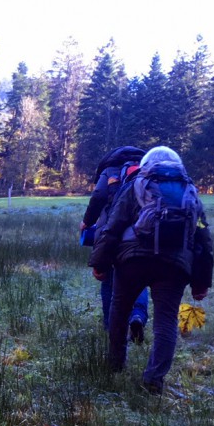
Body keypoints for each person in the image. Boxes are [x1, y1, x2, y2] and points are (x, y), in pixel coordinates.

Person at [90, 146, 213, 395]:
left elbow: (112, 227)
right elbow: (203, 238)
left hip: (132, 260)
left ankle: (115, 364)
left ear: (147, 163)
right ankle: (154, 379)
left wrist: (100, 263)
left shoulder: (136, 184)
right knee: (166, 321)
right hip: (174, 266)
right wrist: (201, 283)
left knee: (120, 309)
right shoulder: (189, 191)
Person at [81, 146, 150, 341]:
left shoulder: (109, 171)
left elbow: (98, 197)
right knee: (140, 279)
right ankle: (138, 316)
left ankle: (110, 326)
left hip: (110, 232)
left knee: (108, 279)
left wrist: (87, 221)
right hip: (140, 231)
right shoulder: (147, 169)